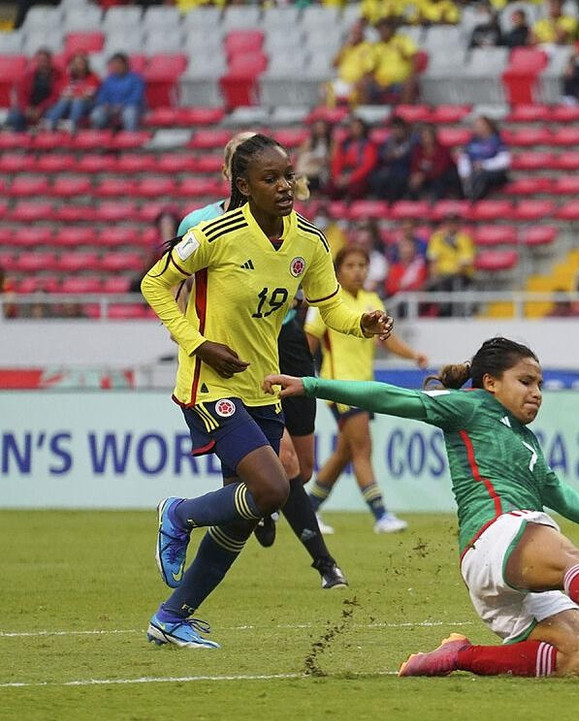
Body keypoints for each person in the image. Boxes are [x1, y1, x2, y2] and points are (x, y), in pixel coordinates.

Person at [264, 338, 579, 677]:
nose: (536, 393)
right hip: (494, 536)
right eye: (525, 381)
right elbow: (390, 397)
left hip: (505, 569)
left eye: (540, 384)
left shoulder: (527, 441)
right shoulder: (468, 407)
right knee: (563, 551)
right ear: (490, 383)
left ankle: (458, 656)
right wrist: (312, 385)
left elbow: (557, 493)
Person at [141, 134, 394, 648]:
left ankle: (171, 617)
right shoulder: (215, 233)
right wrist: (198, 342)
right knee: (274, 488)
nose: (285, 187)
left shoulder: (310, 241)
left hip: (264, 389)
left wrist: (362, 322)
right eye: (270, 179)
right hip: (210, 384)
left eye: (287, 176)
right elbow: (154, 284)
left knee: (247, 510)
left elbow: (331, 309)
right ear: (242, 186)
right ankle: (178, 513)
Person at [306, 246, 427, 534]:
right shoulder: (327, 302)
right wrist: (301, 380)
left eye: (363, 265)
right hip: (340, 386)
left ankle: (308, 510)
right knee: (363, 448)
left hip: (364, 384)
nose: (358, 270)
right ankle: (381, 514)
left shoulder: (372, 299)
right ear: (337, 270)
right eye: (351, 265)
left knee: (345, 453)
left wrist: (413, 355)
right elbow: (307, 342)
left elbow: (386, 339)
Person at [365, 17, 420, 104]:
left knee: (409, 85)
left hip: (400, 81)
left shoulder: (402, 40)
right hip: (381, 82)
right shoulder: (375, 47)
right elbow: (370, 69)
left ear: (391, 29)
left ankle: (404, 115)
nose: (382, 31)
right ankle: (366, 115)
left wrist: (411, 76)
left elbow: (415, 58)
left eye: (385, 28)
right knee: (362, 85)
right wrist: (375, 81)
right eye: (380, 29)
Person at [456, 116, 511, 200]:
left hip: (493, 172)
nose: (477, 128)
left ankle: (473, 199)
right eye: (476, 126)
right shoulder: (472, 142)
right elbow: (464, 158)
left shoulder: (497, 141)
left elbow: (504, 161)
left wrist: (484, 165)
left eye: (480, 125)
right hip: (474, 172)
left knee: (482, 176)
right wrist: (465, 173)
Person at [4, 48, 59, 132]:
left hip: (47, 107)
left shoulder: (57, 75)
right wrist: (27, 109)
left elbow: (55, 96)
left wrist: (40, 109)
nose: (42, 63)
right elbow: (21, 95)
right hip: (29, 107)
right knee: (15, 116)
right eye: (40, 60)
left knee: (52, 116)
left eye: (44, 60)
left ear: (50, 61)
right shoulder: (28, 76)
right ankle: (20, 140)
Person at [41, 52, 98, 131]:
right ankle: (50, 123)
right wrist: (74, 95)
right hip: (68, 105)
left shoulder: (93, 78)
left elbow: (88, 96)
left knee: (77, 101)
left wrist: (74, 95)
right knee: (64, 101)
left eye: (80, 64)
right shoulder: (67, 78)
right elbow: (63, 93)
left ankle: (72, 125)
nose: (77, 66)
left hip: (86, 105)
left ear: (86, 65)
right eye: (75, 64)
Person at [90, 52, 145, 132]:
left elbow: (136, 97)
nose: (116, 66)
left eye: (119, 64)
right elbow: (102, 95)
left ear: (125, 64)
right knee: (96, 114)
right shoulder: (108, 80)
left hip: (129, 107)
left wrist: (121, 106)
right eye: (114, 64)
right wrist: (105, 104)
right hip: (111, 108)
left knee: (129, 114)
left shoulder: (136, 79)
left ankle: (130, 136)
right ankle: (98, 138)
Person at [370, 116, 418, 202]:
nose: (396, 131)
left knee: (397, 179)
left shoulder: (413, 141)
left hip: (406, 169)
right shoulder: (388, 141)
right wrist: (386, 156)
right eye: (394, 129)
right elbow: (381, 155)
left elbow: (414, 157)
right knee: (376, 178)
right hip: (390, 169)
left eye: (399, 129)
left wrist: (400, 155)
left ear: (404, 129)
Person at [330, 117, 378, 200]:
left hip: (359, 176)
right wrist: (337, 177)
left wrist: (350, 178)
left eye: (357, 128)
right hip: (344, 174)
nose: (354, 130)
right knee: (330, 187)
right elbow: (337, 162)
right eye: (351, 127)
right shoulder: (344, 145)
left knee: (355, 189)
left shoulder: (368, 145)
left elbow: (367, 166)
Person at [409, 125, 461, 200]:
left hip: (441, 178)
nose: (425, 139)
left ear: (433, 137)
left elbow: (440, 169)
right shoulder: (418, 150)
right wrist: (416, 175)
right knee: (411, 182)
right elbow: (414, 165)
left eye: (427, 136)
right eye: (423, 137)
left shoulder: (443, 150)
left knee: (439, 181)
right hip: (424, 179)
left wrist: (423, 176)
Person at [331, 20, 374, 106]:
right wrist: (344, 48)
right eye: (354, 32)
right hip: (343, 81)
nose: (355, 34)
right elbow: (334, 64)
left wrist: (359, 81)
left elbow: (369, 70)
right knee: (325, 89)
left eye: (358, 31)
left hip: (356, 82)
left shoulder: (367, 47)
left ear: (363, 33)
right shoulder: (346, 47)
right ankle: (330, 116)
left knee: (361, 88)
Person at [296, 120, 334, 196]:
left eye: (321, 128)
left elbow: (332, 158)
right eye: (317, 128)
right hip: (309, 168)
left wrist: (318, 161)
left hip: (324, 169)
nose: (319, 130)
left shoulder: (331, 143)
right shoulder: (309, 142)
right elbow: (300, 154)